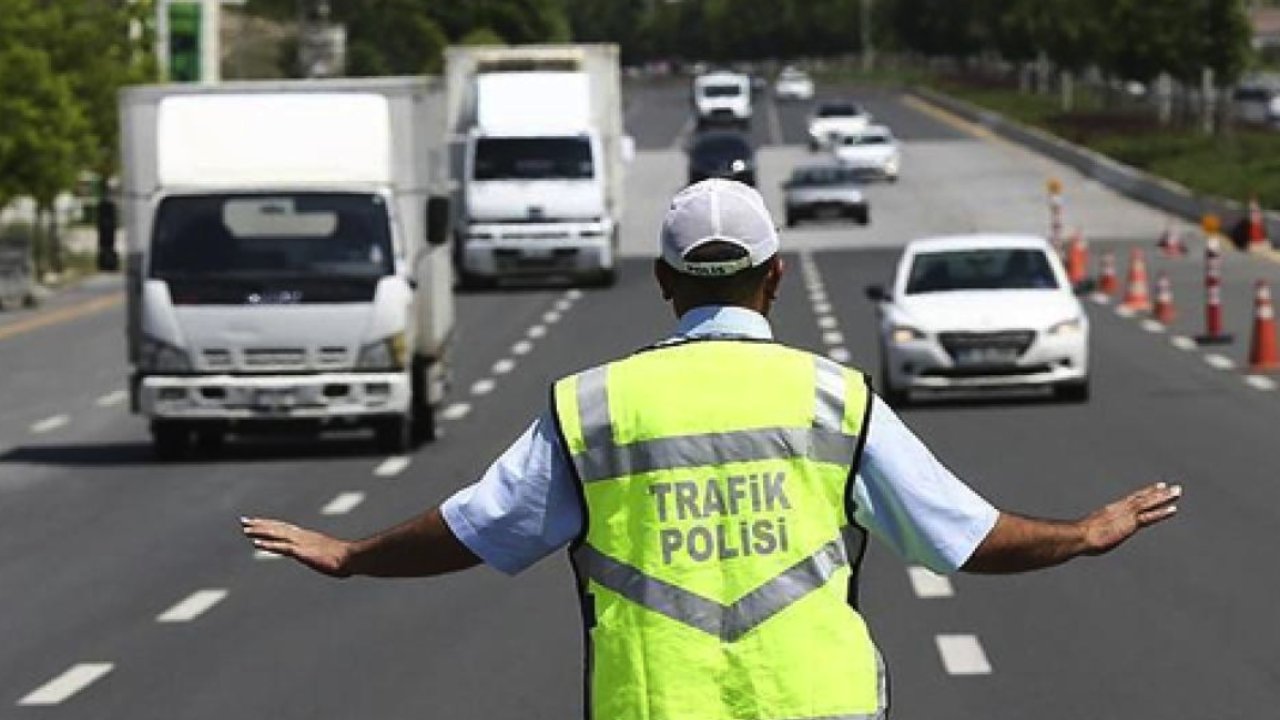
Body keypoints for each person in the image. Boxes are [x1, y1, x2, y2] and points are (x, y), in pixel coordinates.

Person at [242, 179, 1181, 720]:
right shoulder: (834, 398)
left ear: (664, 280)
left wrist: (352, 554)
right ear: (776, 278)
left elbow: (476, 529)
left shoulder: (593, 407)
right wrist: (1083, 532)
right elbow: (963, 538)